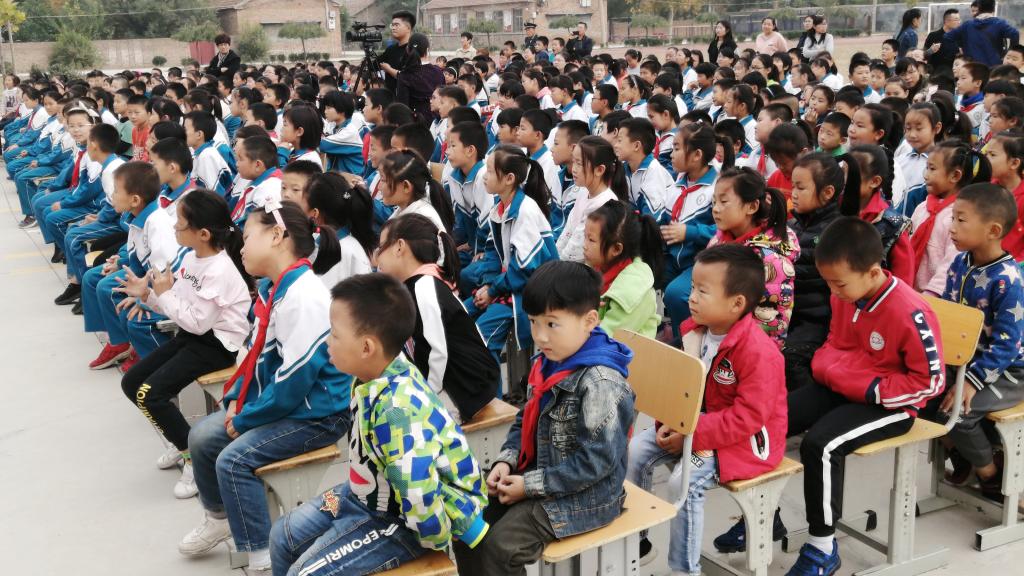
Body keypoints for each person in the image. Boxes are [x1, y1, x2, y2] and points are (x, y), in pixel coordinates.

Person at [269, 273, 489, 576]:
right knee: (283, 534)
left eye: (334, 334)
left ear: (366, 348)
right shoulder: (371, 374)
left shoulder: (397, 409)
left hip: (398, 522)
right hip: (357, 494)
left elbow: (417, 491)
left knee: (304, 573)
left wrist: (434, 541)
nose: (327, 341)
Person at [179, 201, 353, 572]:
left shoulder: (305, 297)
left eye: (247, 237)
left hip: (318, 415)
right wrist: (234, 400)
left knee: (233, 460)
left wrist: (246, 418)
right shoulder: (273, 289)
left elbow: (294, 383)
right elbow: (252, 355)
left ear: (276, 236)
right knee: (202, 437)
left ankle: (262, 557)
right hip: (284, 403)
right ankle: (220, 518)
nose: (240, 247)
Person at [779, 217, 944, 576]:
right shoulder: (846, 294)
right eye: (828, 282)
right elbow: (835, 343)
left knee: (821, 445)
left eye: (839, 283)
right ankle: (767, 515)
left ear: (872, 272)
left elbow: (931, 382)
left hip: (893, 404)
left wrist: (873, 389)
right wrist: (833, 371)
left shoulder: (911, 312)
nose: (833, 291)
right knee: (774, 418)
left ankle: (822, 547)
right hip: (845, 387)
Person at [453, 260, 636, 576]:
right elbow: (525, 419)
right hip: (544, 473)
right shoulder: (550, 360)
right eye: (533, 322)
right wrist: (506, 461)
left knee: (501, 547)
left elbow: (595, 464)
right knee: (465, 522)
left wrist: (528, 486)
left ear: (589, 320)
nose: (540, 336)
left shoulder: (602, 383)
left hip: (589, 496)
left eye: (552, 324)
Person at [631, 243, 787, 572]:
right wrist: (668, 421)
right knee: (634, 451)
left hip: (746, 442)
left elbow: (748, 418)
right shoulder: (694, 333)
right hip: (699, 428)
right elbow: (678, 389)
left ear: (736, 303)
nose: (691, 298)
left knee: (683, 483)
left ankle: (685, 569)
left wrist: (691, 434)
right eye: (692, 288)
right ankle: (636, 543)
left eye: (702, 291)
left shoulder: (759, 352)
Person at [117, 189, 251, 499]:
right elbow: (179, 307)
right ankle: (180, 442)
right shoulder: (192, 258)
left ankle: (193, 459)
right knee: (132, 383)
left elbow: (196, 321)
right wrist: (148, 294)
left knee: (150, 394)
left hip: (218, 345)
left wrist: (163, 294)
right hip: (194, 336)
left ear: (203, 234)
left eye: (180, 222)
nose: (175, 226)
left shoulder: (219, 270)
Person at [926, 183, 1023, 500]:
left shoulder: (1007, 280)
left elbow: (1007, 346)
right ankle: (964, 456)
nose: (951, 227)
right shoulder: (960, 263)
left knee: (959, 414)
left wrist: (971, 381)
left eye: (961, 220)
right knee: (923, 398)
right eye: (952, 217)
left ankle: (990, 475)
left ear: (993, 230)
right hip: (967, 362)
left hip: (1010, 371)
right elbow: (950, 318)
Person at [375, 214, 501, 423]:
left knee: (399, 422)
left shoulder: (423, 286)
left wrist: (426, 398)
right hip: (455, 382)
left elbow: (437, 351)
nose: (377, 257)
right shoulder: (419, 284)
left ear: (399, 247)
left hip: (465, 389)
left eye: (381, 248)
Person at [463, 145, 558, 356]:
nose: (484, 176)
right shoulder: (500, 207)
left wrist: (492, 291)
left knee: (481, 339)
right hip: (508, 285)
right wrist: (488, 283)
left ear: (509, 179)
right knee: (457, 317)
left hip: (529, 291)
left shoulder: (525, 211)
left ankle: (488, 378)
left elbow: (524, 270)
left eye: (489, 171)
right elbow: (492, 252)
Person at [912, 141, 991, 295]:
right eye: (926, 168)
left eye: (932, 169)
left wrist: (931, 294)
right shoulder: (922, 207)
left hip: (937, 297)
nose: (926, 175)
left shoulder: (960, 218)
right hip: (910, 291)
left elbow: (953, 262)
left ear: (955, 175)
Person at [584, 200, 661, 338]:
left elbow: (605, 338)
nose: (584, 245)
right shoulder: (595, 270)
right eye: (585, 237)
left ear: (616, 249)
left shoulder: (633, 290)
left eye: (591, 240)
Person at [558, 136, 628, 262]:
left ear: (599, 170)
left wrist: (556, 264)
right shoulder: (583, 191)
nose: (574, 169)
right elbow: (569, 228)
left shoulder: (604, 204)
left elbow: (577, 250)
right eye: (573, 161)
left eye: (579, 164)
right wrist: (555, 256)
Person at [615, 117, 672, 222]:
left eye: (619, 140)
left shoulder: (653, 171)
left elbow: (651, 220)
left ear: (636, 145)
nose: (615, 145)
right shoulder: (625, 168)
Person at [943, 0, 1019, 67]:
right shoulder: (999, 23)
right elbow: (1015, 34)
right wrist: (1009, 54)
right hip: (994, 67)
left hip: (972, 67)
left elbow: (947, 37)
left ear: (979, 8)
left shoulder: (967, 25)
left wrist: (957, 51)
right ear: (993, 8)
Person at [396, 33, 445, 127]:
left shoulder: (405, 75)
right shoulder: (438, 71)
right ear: (427, 50)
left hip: (415, 125)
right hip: (437, 123)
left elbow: (402, 107)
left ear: (408, 50)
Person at [380, 10, 415, 94]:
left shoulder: (414, 50)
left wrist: (388, 69)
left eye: (396, 25)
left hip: (406, 98)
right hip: (389, 97)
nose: (393, 28)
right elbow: (374, 65)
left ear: (408, 28)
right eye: (392, 25)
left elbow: (410, 78)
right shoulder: (390, 49)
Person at [925, 9, 961, 76]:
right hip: (936, 74)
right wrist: (931, 50)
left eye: (959, 19)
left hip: (953, 75)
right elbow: (924, 55)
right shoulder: (933, 36)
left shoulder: (959, 37)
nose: (959, 22)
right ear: (946, 21)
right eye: (956, 20)